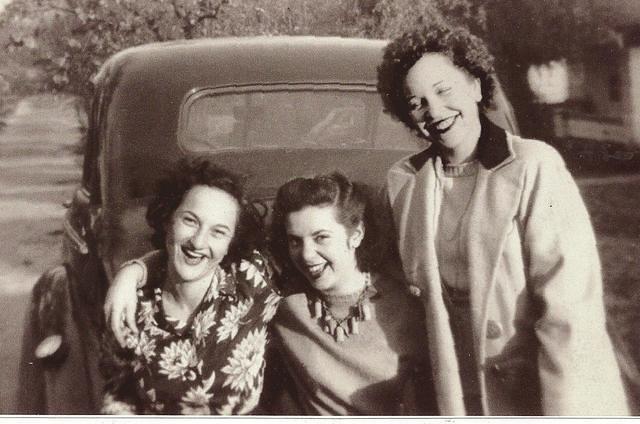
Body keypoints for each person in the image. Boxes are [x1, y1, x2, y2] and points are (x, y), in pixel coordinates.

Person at [376, 23, 629, 415]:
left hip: (538, 393)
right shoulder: (404, 182)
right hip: (455, 398)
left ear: (476, 87)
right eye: (416, 102)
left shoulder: (534, 166)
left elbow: (570, 311)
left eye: (444, 91)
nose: (434, 111)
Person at [104, 172, 438, 415]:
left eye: (321, 237)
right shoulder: (281, 293)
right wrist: (132, 271)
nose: (306, 255)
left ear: (356, 234)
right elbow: (197, 255)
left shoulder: (406, 307)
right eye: (295, 241)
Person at [100, 158, 280, 415]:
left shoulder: (251, 280)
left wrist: (133, 270)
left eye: (218, 232)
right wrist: (131, 274)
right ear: (167, 221)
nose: (198, 241)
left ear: (231, 243)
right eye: (190, 221)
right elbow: (119, 395)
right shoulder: (129, 306)